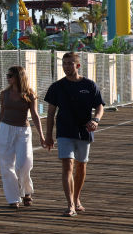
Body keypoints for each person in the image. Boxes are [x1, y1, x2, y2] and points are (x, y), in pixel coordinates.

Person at [44, 52, 104, 217]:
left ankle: (77, 198)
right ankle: (70, 204)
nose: (66, 66)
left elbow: (100, 106)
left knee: (81, 166)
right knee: (67, 165)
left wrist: (96, 120)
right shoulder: (57, 87)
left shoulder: (89, 85)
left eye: (70, 63)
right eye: (64, 63)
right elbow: (50, 113)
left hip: (84, 131)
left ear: (77, 65)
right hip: (64, 131)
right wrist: (48, 135)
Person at [0, 65, 46, 208]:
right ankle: (13, 198)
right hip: (5, 129)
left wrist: (41, 135)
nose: (7, 78)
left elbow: (35, 115)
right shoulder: (4, 94)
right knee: (6, 165)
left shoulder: (29, 94)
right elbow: (2, 113)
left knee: (24, 163)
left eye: (10, 75)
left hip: (23, 130)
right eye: (7, 75)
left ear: (18, 77)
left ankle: (26, 191)